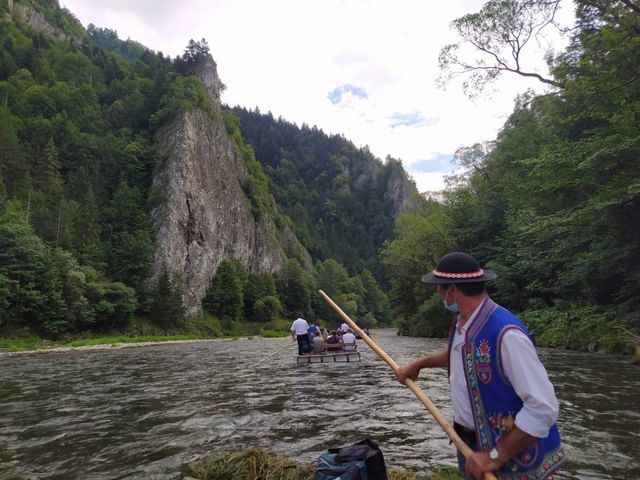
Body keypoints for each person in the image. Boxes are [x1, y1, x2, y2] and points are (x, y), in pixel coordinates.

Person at [395, 251, 565, 480]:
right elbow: (460, 355)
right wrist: (420, 364)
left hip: (508, 456)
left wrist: (496, 455)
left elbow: (543, 408)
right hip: (467, 445)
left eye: (438, 288)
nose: (437, 293)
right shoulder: (462, 321)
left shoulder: (507, 335)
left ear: (452, 291)